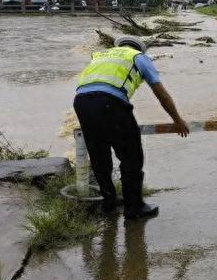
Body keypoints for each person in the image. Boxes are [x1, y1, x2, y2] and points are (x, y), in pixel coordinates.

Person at [73, 36, 189, 219]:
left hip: (81, 101)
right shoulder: (139, 57)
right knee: (131, 156)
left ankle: (108, 204)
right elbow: (162, 94)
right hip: (109, 102)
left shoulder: (101, 55)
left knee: (99, 155)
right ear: (139, 49)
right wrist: (177, 120)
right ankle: (134, 208)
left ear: (119, 46)